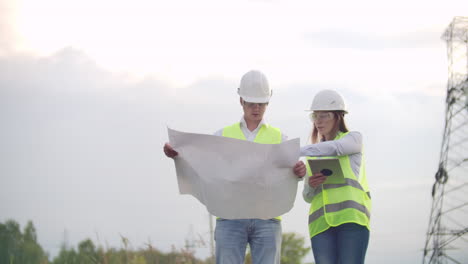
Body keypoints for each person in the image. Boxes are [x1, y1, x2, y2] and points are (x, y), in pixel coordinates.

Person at [163, 70, 306, 264]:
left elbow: (291, 173)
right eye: (251, 103)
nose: (256, 108)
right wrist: (178, 155)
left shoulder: (280, 138)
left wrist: (300, 172)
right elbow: (202, 162)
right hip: (230, 218)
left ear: (267, 104)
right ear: (241, 101)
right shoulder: (222, 135)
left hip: (267, 219)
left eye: (261, 104)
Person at [300, 89, 371, 264]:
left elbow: (337, 148)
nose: (318, 121)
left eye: (324, 115)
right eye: (315, 116)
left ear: (338, 117)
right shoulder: (313, 154)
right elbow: (307, 197)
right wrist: (311, 184)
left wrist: (297, 150)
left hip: (351, 222)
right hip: (320, 226)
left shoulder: (353, 139)